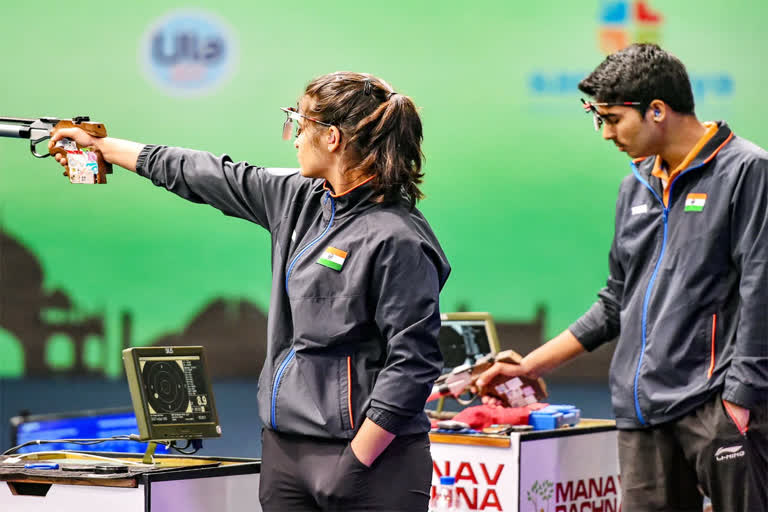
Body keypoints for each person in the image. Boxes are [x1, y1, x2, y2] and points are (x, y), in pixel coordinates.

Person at [49, 71, 451, 511]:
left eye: (300, 125)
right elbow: (206, 173)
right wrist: (103, 147)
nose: (294, 139)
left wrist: (357, 461)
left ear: (332, 137)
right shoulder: (299, 197)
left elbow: (412, 364)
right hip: (285, 452)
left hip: (372, 460)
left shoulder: (398, 238)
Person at [476, 43, 768, 511]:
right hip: (641, 416)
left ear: (657, 110)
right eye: (600, 119)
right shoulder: (634, 185)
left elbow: (761, 290)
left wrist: (741, 399)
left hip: (718, 408)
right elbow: (616, 301)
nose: (606, 133)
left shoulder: (747, 171)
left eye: (612, 119)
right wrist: (531, 366)